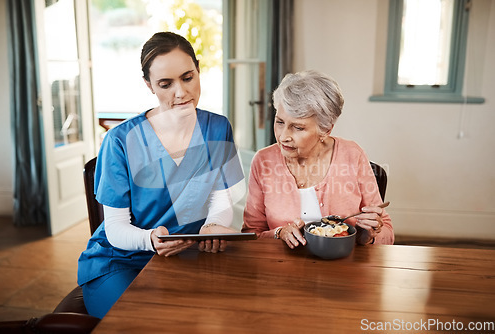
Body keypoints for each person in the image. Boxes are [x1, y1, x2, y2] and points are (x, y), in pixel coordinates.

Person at [77, 32, 244, 318]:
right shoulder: (120, 140)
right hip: (123, 260)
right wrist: (151, 239)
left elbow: (220, 197)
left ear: (198, 70)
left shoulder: (218, 128)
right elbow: (115, 227)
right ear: (149, 85)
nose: (181, 92)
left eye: (187, 77)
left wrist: (214, 224)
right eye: (165, 84)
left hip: (189, 256)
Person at [242, 70, 394, 248]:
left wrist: (368, 235)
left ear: (326, 129)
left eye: (298, 127)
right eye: (280, 122)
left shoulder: (353, 155)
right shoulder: (263, 161)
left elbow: (388, 233)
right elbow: (250, 235)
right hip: (282, 269)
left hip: (343, 267)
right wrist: (278, 233)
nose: (283, 137)